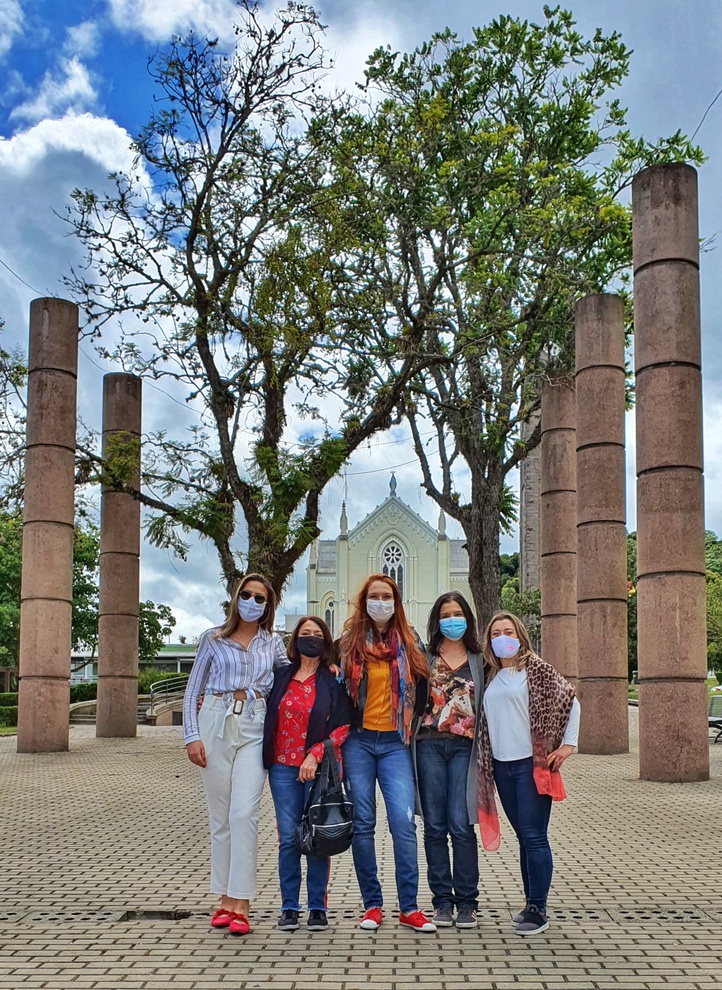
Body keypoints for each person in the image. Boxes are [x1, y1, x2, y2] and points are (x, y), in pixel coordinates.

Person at [183, 573, 287, 936]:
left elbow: (290, 678)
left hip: (255, 725)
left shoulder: (273, 642)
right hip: (215, 720)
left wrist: (327, 669)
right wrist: (192, 735)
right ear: (236, 597)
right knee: (221, 818)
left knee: (244, 814)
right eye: (247, 594)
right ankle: (224, 899)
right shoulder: (212, 639)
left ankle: (241, 903)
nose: (252, 602)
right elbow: (192, 689)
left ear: (268, 606)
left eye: (260, 598)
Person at [338, 573, 436, 933]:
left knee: (403, 823)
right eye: (374, 596)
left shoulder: (410, 642)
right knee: (363, 824)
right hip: (358, 742)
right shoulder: (348, 644)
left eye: (387, 596)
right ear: (364, 601)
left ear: (396, 602)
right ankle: (372, 904)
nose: (380, 602)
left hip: (396, 743)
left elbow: (425, 687)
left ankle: (409, 907)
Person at [477, 611, 580, 937]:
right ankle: (530, 904)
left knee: (534, 837)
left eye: (508, 631)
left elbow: (570, 699)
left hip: (530, 765)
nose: (502, 638)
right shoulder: (491, 675)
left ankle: (538, 908)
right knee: (524, 837)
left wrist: (568, 745)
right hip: (501, 767)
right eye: (496, 633)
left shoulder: (536, 669)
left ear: (520, 636)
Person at [262, 616, 352, 933]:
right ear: (295, 639)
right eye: (305, 633)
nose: (310, 638)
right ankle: (289, 907)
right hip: (282, 768)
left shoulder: (332, 680)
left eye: (316, 634)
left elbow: (344, 725)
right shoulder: (281, 676)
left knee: (317, 837)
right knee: (288, 838)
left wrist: (315, 753)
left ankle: (317, 907)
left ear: (324, 641)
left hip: (318, 769)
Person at [414, 592, 483, 930]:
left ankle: (467, 902)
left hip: (463, 750)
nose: (452, 620)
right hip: (429, 746)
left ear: (467, 618)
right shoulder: (424, 657)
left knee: (461, 823)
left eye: (457, 614)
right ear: (436, 620)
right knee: (434, 826)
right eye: (445, 615)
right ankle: (442, 901)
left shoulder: (480, 659)